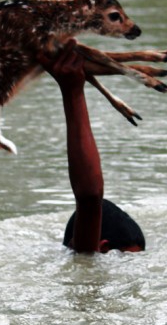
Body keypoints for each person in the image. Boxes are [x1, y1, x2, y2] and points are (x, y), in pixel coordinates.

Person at [38, 40, 145, 254]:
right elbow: (89, 199)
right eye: (127, 259)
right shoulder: (87, 257)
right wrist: (73, 91)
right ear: (102, 247)